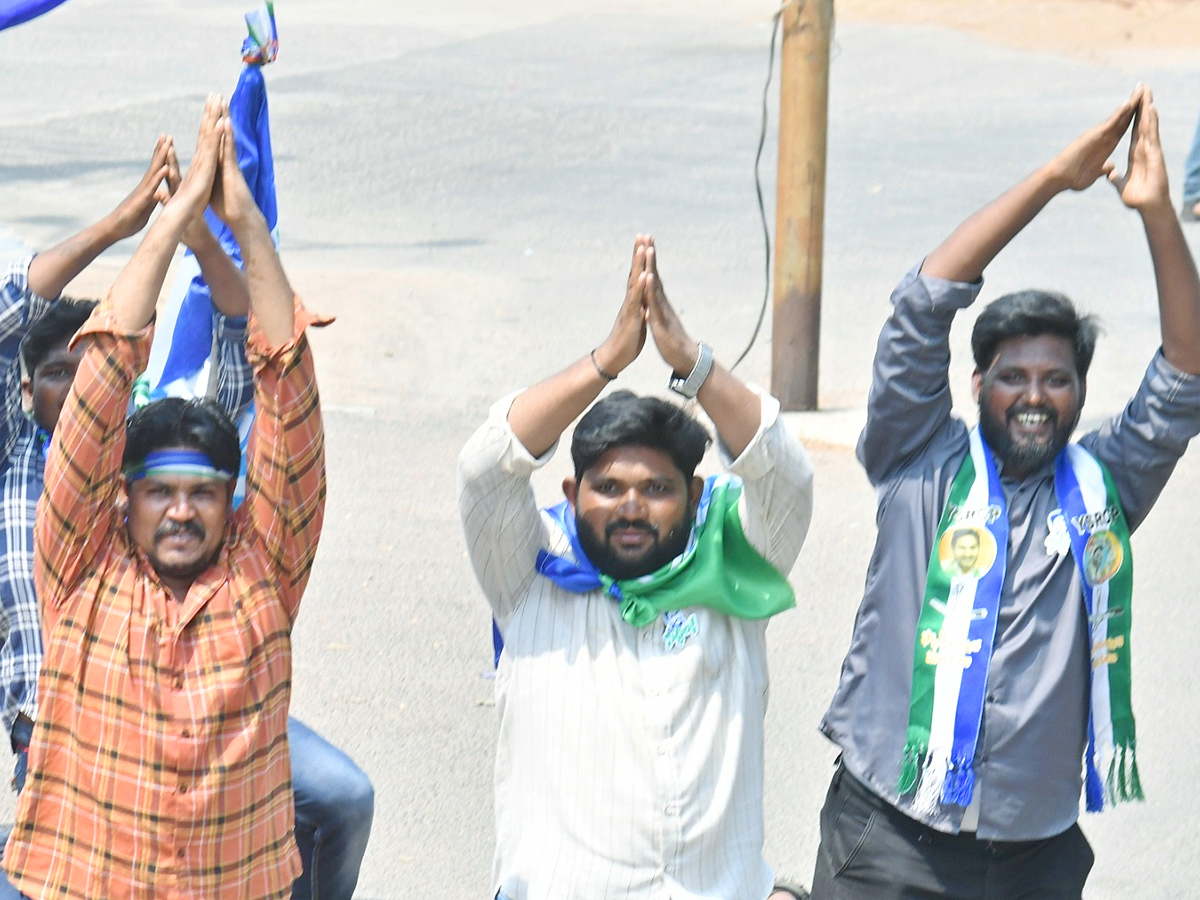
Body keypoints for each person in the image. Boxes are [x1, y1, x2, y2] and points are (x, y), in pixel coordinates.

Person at [813, 86, 1200, 899]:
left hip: (1034, 855)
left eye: (1057, 379)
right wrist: (1055, 179)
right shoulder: (920, 454)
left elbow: (1184, 379)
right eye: (1013, 377)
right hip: (888, 839)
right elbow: (924, 301)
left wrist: (1159, 214)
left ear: (1079, 393)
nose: (1034, 395)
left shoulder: (1106, 484)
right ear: (977, 382)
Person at [0, 141, 372, 900]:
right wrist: (160, 227)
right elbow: (105, 375)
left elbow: (287, 386)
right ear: (121, 498)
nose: (179, 511)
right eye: (159, 491)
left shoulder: (264, 569)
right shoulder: (80, 571)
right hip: (77, 861)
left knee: (343, 796)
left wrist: (240, 223)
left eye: (202, 493)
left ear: (232, 499)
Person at [458, 235, 814, 900]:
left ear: (695, 497)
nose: (631, 506)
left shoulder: (733, 576)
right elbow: (486, 464)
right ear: (572, 495)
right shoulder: (528, 574)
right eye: (609, 487)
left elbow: (784, 477)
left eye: (656, 489)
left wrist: (692, 364)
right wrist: (605, 362)